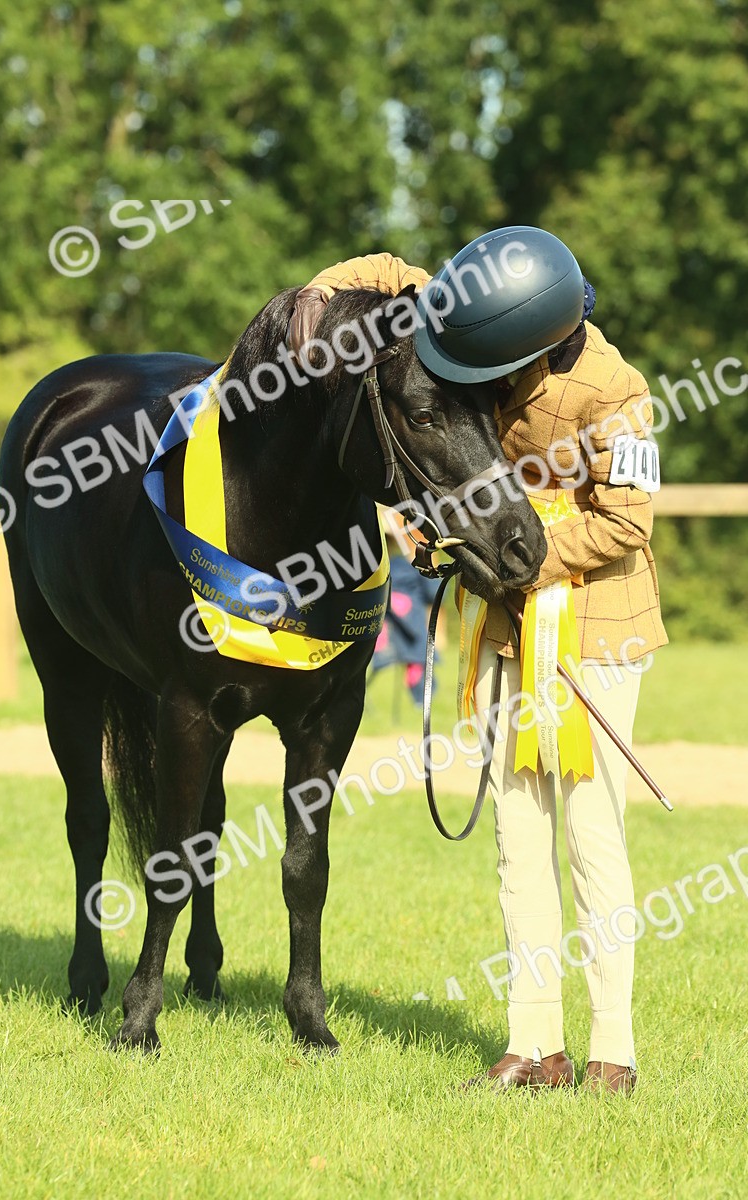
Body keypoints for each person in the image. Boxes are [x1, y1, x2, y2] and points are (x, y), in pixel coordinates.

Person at [287, 227, 668, 1094]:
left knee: (591, 839)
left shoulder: (615, 393)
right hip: (503, 630)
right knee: (516, 837)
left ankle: (614, 1050)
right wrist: (310, 305)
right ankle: (534, 1045)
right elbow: (386, 271)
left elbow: (626, 524)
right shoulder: (484, 326)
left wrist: (514, 554)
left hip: (594, 634)